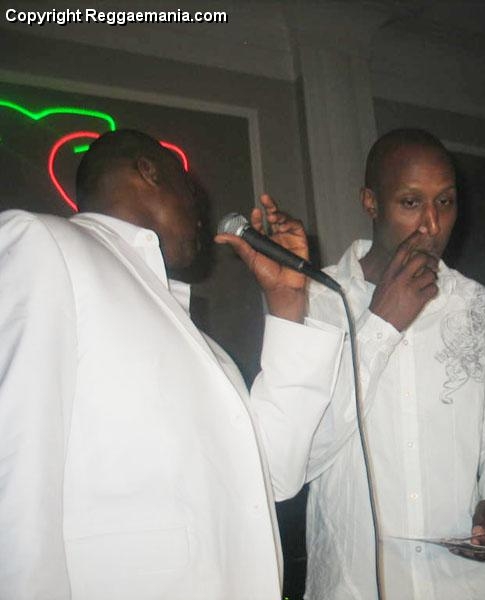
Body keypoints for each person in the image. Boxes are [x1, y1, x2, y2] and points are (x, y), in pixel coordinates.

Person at [0, 129, 343, 599]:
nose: (201, 212)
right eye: (191, 190)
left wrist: (287, 303)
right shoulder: (46, 243)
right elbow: (14, 467)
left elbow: (275, 474)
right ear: (148, 171)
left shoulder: (206, 349)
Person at [301, 128, 485, 599]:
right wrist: (381, 323)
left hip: (466, 587)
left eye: (445, 202)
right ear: (371, 202)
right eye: (411, 203)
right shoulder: (313, 303)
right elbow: (300, 455)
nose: (432, 224)